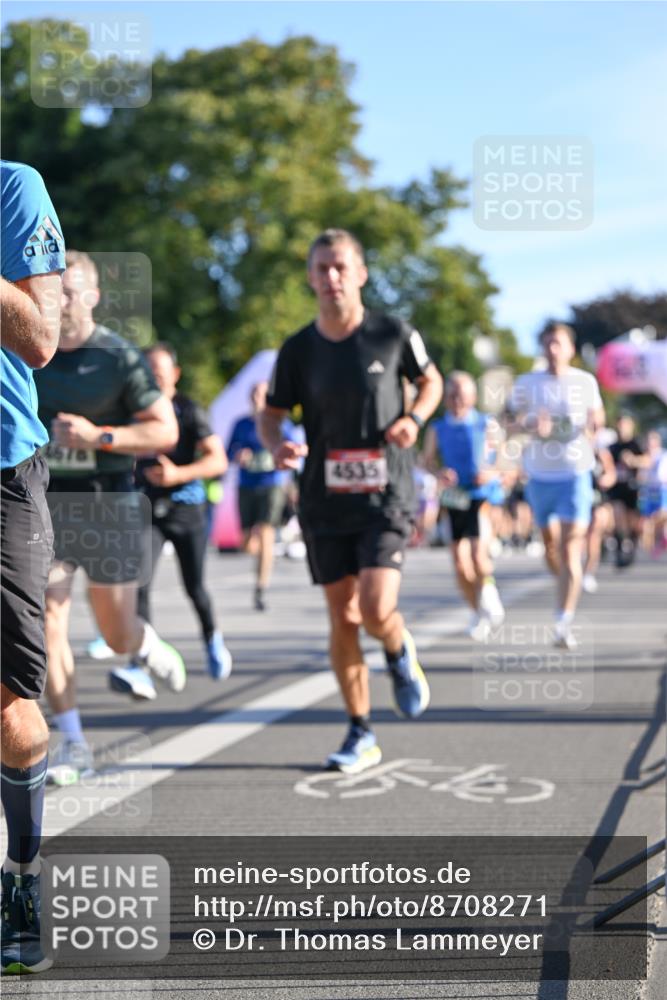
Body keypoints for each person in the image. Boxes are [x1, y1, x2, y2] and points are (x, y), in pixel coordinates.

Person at [260, 229, 443, 774]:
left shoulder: (392, 333)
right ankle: (361, 730)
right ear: (311, 277)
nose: (330, 277)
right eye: (320, 269)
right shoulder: (297, 349)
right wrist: (278, 444)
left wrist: (414, 417)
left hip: (385, 492)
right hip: (323, 497)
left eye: (340, 266)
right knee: (342, 617)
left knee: (374, 607)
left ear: (361, 273)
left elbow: (429, 381)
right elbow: (271, 415)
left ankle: (396, 647)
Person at [34, 251, 184, 785]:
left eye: (69, 292)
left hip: (108, 503)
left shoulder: (119, 357)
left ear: (94, 297)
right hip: (43, 502)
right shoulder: (30, 351)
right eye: (51, 291)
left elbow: (165, 431)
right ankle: (72, 742)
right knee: (47, 622)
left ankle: (142, 644)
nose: (58, 301)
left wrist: (99, 437)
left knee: (114, 632)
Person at [1, 159, 64, 974]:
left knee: (10, 714)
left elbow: (40, 339)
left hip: (2, 473)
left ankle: (21, 874)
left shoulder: (15, 188)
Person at [109, 343, 232, 698]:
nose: (153, 380)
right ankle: (138, 666)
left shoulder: (189, 410)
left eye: (160, 374)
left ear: (175, 375)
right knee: (140, 584)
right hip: (146, 511)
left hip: (186, 509)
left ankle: (212, 638)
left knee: (195, 586)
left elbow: (217, 461)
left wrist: (179, 474)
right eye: (147, 374)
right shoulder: (131, 411)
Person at [509, 322, 605, 649]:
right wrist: (529, 423)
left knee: (570, 549)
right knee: (550, 547)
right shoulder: (526, 383)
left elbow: (598, 420)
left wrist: (590, 430)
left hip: (575, 474)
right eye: (547, 343)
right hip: (539, 476)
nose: (552, 350)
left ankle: (563, 622)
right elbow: (507, 421)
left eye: (558, 344)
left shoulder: (585, 382)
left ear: (570, 349)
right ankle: (562, 579)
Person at [422, 371, 505, 640]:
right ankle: (476, 610)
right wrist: (439, 474)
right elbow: (426, 461)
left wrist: (490, 473)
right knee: (460, 562)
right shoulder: (438, 428)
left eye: (463, 394)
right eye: (453, 394)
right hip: (453, 496)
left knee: (478, 555)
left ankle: (489, 592)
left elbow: (504, 462)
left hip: (480, 494)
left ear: (472, 397)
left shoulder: (485, 423)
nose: (457, 399)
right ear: (446, 397)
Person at [228, 380, 295, 610]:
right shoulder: (242, 424)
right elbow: (228, 452)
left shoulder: (280, 424)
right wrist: (238, 454)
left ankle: (261, 587)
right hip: (247, 484)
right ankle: (262, 557)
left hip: (271, 484)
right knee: (246, 542)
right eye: (255, 394)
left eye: (263, 395)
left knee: (266, 532)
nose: (258, 399)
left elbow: (294, 448)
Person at [607, 413, 645, 568]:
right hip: (617, 489)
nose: (622, 428)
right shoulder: (612, 446)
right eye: (620, 424)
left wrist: (633, 460)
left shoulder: (637, 444)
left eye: (626, 424)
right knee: (618, 516)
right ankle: (619, 549)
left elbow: (648, 460)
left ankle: (631, 550)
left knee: (633, 524)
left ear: (631, 426)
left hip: (633, 489)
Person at [582, 434, 616, 593]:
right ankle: (572, 570)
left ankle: (588, 572)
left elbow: (611, 475)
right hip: (576, 501)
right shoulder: (570, 455)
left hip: (596, 499)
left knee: (593, 534)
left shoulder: (600, 454)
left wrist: (604, 480)